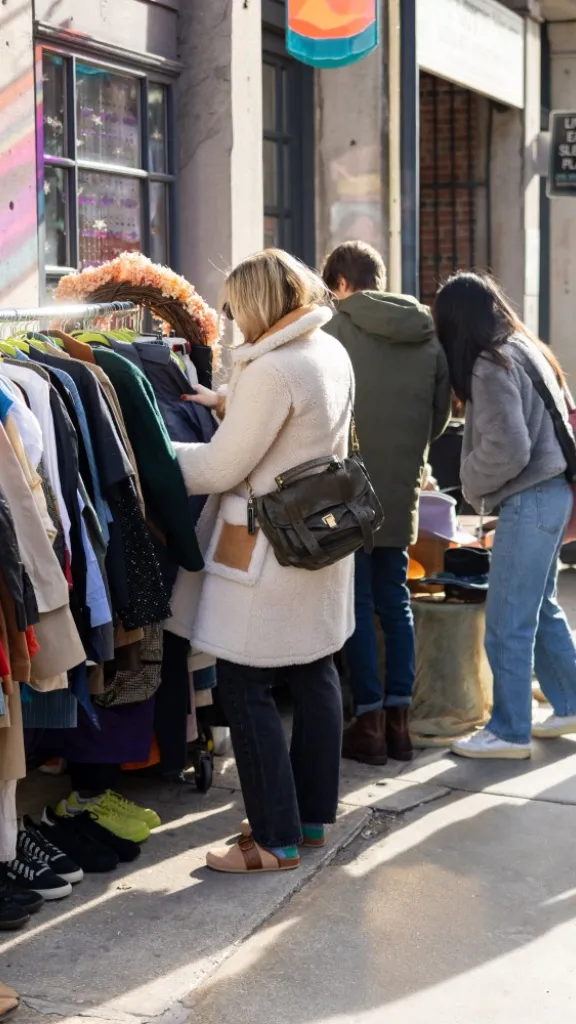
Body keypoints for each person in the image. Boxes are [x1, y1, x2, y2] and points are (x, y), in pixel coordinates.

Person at [174, 249, 355, 873]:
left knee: (243, 683)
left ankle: (273, 841)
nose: (229, 320)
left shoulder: (270, 370)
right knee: (313, 671)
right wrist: (228, 403)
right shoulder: (327, 351)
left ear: (254, 305)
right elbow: (297, 431)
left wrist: (150, 452)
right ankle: (306, 822)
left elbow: (223, 467)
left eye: (233, 307)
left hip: (263, 550)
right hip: (318, 539)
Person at [434, 271, 576, 759]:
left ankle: (509, 730)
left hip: (532, 497)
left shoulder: (488, 365)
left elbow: (509, 446)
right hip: (554, 493)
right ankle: (571, 702)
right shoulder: (522, 346)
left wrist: (470, 481)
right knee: (540, 608)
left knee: (508, 618)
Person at [322, 241, 451, 764]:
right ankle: (401, 725)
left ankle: (369, 723)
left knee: (354, 602)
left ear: (341, 285)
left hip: (347, 487)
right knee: (395, 602)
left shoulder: (332, 330)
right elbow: (439, 420)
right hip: (400, 486)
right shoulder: (427, 334)